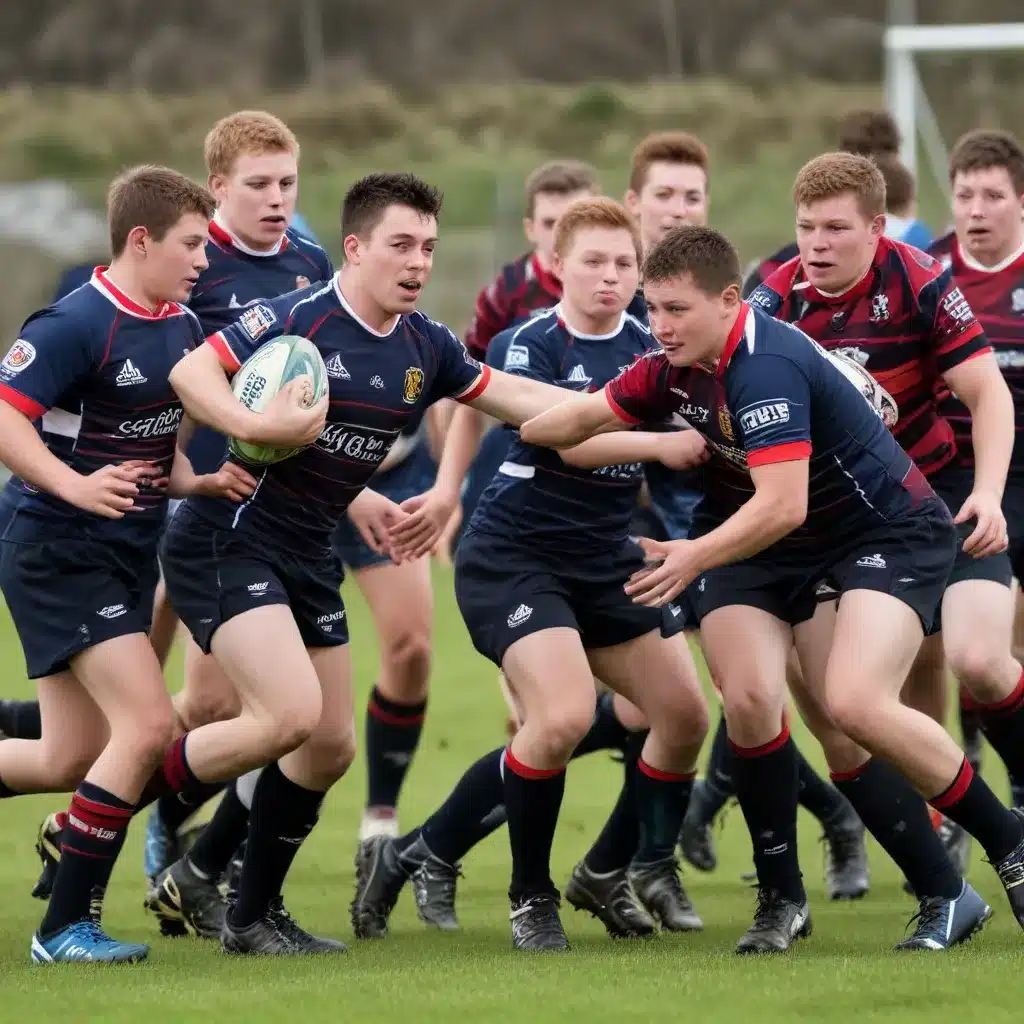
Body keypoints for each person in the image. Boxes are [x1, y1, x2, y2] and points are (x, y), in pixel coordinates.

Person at [519, 224, 1024, 955]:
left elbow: (783, 503)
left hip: (879, 532)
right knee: (751, 701)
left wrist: (691, 556)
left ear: (729, 302)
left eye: (675, 310)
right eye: (652, 308)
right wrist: (487, 401)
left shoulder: (765, 365)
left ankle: (1005, 848)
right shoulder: (671, 362)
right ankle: (782, 901)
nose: (659, 326)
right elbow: (580, 419)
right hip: (757, 542)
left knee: (852, 705)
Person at [142, 171, 584, 956]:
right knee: (283, 716)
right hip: (229, 535)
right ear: (355, 248)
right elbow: (188, 373)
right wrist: (256, 424)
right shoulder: (298, 318)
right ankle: (112, 788)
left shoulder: (426, 345)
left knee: (330, 747)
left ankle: (249, 916)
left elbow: (511, 397)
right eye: (401, 246)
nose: (418, 263)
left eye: (429, 249)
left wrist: (623, 405)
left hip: (307, 549)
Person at [350, 198, 709, 949]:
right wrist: (661, 448)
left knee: (682, 716)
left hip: (606, 557)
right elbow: (566, 440)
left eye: (623, 264)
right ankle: (529, 898)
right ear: (557, 266)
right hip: (515, 556)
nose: (610, 277)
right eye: (593, 262)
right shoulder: (529, 341)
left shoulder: (656, 346)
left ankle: (585, 868)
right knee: (563, 717)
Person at [751, 150, 1024, 884]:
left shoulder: (923, 280)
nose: (816, 244)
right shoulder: (773, 303)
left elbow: (987, 395)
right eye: (806, 227)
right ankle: (943, 844)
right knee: (841, 700)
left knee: (977, 660)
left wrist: (989, 493)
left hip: (940, 495)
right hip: (845, 520)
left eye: (836, 229)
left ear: (876, 228)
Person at [0, 165, 225, 963]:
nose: (203, 260)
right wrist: (71, 483)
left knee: (69, 757)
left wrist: (199, 480)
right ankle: (64, 929)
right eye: (192, 244)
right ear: (141, 240)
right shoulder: (74, 322)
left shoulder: (182, 326)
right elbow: (6, 417)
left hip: (127, 548)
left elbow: (153, 446)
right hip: (58, 548)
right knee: (148, 725)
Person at [930, 129, 1024, 810]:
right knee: (977, 646)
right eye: (966, 194)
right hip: (960, 478)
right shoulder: (927, 272)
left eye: (993, 195)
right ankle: (972, 778)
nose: (978, 208)